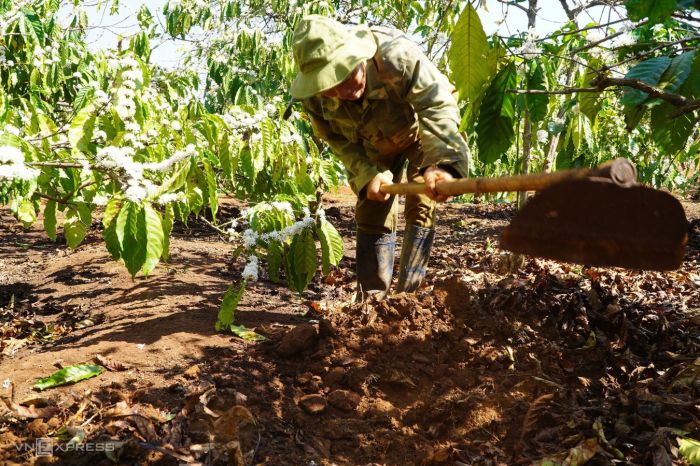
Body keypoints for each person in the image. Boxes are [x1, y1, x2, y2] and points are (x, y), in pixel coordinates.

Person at [289, 14, 470, 298]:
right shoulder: (315, 97)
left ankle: (407, 300)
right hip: (372, 146)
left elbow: (436, 104)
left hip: (420, 135)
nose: (343, 91)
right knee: (372, 211)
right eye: (331, 85)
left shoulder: (396, 56)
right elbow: (338, 141)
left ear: (358, 56)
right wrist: (365, 173)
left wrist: (442, 163)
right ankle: (372, 303)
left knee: (422, 202)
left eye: (346, 75)